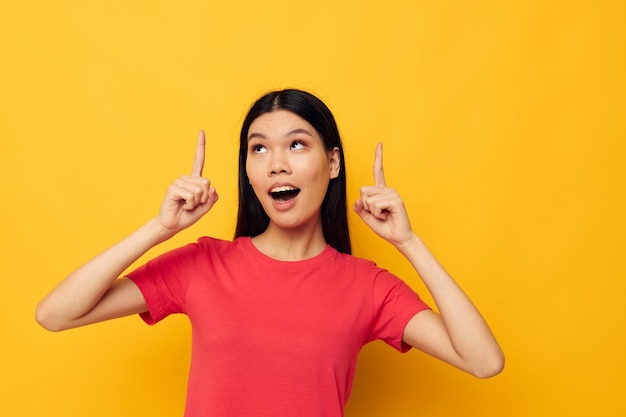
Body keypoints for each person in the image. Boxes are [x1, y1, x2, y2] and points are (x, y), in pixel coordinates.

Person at [36, 89, 504, 416]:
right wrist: (159, 229)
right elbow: (56, 314)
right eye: (258, 149)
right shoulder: (204, 265)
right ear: (249, 170)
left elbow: (484, 362)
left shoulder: (367, 285)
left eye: (297, 145)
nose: (277, 162)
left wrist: (408, 243)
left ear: (333, 162)